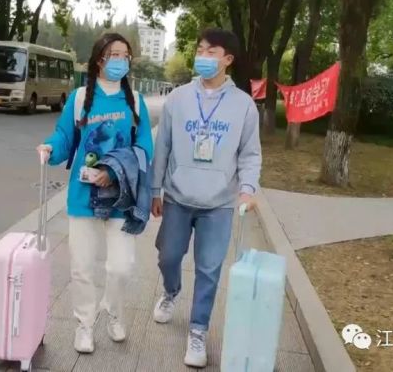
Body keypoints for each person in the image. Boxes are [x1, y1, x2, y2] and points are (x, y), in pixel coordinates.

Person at [149, 28, 262, 368]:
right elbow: (163, 146)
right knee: (168, 256)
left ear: (228, 59)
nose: (203, 56)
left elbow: (250, 154)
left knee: (209, 269)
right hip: (178, 198)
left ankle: (198, 331)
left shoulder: (244, 105)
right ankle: (171, 291)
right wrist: (155, 190)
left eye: (211, 52)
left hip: (219, 204)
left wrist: (248, 189)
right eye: (200, 50)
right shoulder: (179, 98)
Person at [36, 33, 154, 354]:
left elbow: (145, 147)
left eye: (125, 55)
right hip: (83, 196)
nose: (120, 60)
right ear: (99, 58)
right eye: (114, 54)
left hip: (121, 197)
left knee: (121, 267)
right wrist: (50, 147)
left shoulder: (135, 101)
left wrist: (113, 171)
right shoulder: (79, 98)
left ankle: (112, 310)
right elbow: (64, 137)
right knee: (82, 267)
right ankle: (84, 324)